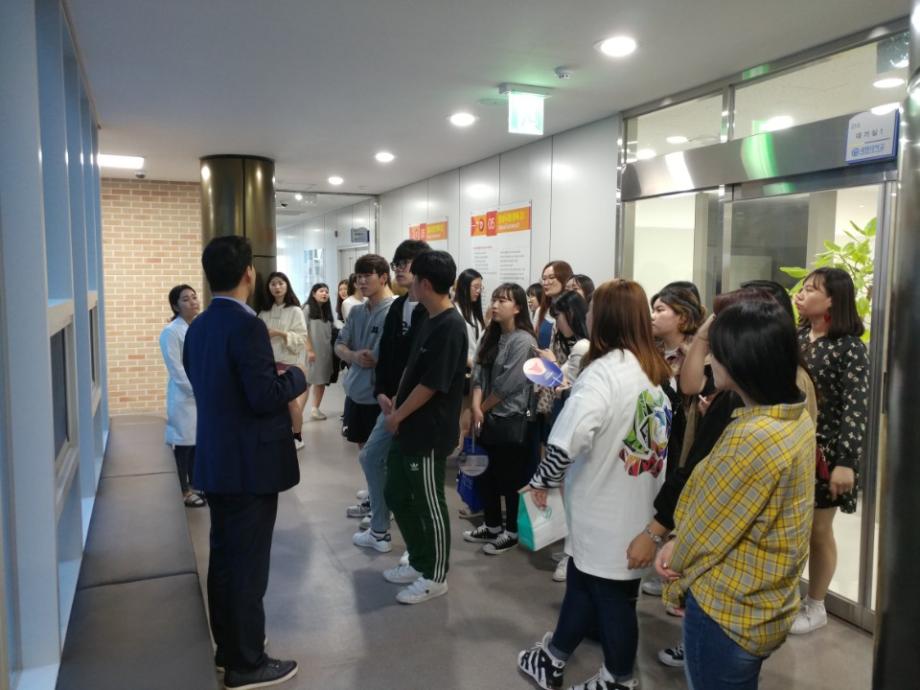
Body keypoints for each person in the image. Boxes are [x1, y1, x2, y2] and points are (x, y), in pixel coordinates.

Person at [641, 284, 817, 669]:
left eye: (715, 349)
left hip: (727, 609)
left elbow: (708, 528)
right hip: (761, 604)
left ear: (741, 357)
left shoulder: (751, 436)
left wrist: (671, 551)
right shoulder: (788, 415)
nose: (710, 359)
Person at [518, 279, 672, 690]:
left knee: (613, 600)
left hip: (604, 510)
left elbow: (567, 440)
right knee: (585, 584)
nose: (586, 314)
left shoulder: (602, 373)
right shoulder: (653, 371)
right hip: (638, 507)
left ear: (603, 317)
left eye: (591, 309)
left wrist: (540, 480)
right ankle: (553, 658)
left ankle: (619, 679)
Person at [183, 236, 307, 690]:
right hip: (250, 465)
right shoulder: (247, 326)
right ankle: (247, 663)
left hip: (216, 459)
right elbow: (262, 396)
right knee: (248, 567)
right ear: (249, 273)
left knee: (224, 559)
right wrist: (295, 376)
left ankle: (229, 648)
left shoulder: (197, 326)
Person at [381, 250, 468, 604]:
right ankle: (418, 560)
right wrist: (396, 401)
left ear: (426, 284)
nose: (408, 282)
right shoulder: (427, 317)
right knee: (396, 493)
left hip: (429, 431)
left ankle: (435, 574)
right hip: (408, 425)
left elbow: (432, 384)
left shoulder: (451, 325)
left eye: (413, 277)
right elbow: (413, 369)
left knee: (430, 504)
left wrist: (398, 415)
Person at [790, 267, 869, 635]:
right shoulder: (797, 338)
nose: (802, 294)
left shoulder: (850, 347)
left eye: (811, 289)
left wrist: (846, 462)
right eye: (803, 288)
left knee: (818, 530)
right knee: (791, 527)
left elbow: (856, 406)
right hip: (792, 446)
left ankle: (816, 604)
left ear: (833, 300)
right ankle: (788, 597)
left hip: (826, 455)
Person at [350, 240, 430, 552]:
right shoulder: (398, 307)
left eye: (405, 263)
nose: (399, 268)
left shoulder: (436, 312)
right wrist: (382, 391)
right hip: (391, 403)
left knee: (414, 479)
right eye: (397, 263)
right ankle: (380, 530)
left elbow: (426, 370)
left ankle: (418, 553)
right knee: (370, 456)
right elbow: (386, 356)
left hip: (419, 408)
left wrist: (401, 401)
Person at [641, 283, 705, 598]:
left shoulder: (698, 353)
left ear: (682, 317)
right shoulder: (648, 350)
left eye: (660, 310)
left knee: (680, 496)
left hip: (685, 436)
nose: (652, 316)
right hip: (653, 436)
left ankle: (674, 567)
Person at [463, 283, 536, 555]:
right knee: (486, 474)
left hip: (510, 418)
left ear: (517, 308)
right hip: (486, 416)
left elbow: (509, 384)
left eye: (502, 301)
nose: (495, 305)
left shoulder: (523, 340)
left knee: (510, 478)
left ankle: (511, 532)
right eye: (494, 299)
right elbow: (479, 373)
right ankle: (492, 525)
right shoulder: (490, 335)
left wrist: (481, 408)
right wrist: (475, 406)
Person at [533, 288, 590, 582]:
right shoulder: (578, 344)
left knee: (570, 490)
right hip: (567, 419)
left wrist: (551, 363)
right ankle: (571, 549)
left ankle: (572, 554)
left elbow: (570, 384)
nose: (556, 322)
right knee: (568, 488)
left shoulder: (581, 346)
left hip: (573, 423)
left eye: (559, 316)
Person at [335, 255, 394, 460]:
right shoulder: (356, 311)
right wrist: (353, 355)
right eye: (358, 277)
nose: (361, 282)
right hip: (354, 392)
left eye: (367, 276)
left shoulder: (394, 311)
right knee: (363, 451)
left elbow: (376, 357)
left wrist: (356, 355)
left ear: (383, 278)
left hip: (380, 396)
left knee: (381, 456)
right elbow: (338, 345)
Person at [159, 284, 204, 507]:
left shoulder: (197, 326)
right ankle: (184, 491)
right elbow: (176, 368)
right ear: (176, 306)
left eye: (194, 297)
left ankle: (195, 484)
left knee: (195, 442)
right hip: (184, 396)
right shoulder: (171, 331)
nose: (193, 301)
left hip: (199, 393)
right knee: (184, 445)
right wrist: (195, 390)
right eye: (185, 299)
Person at [258, 272, 308, 450]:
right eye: (273, 284)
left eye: (280, 283)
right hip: (269, 363)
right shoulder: (263, 312)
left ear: (287, 285)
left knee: (290, 401)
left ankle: (297, 436)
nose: (277, 287)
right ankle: (278, 434)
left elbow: (301, 338)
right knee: (272, 401)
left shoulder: (295, 310)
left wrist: (279, 333)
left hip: (289, 361)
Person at [303, 283, 334, 420]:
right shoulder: (307, 309)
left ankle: (315, 410)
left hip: (325, 353)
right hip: (311, 352)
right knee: (306, 382)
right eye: (321, 291)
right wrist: (309, 350)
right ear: (313, 293)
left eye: (326, 291)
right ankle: (297, 413)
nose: (324, 294)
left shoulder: (326, 311)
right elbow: (302, 330)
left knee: (321, 381)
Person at [535, 261, 573, 349]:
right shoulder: (540, 311)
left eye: (551, 277)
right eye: (544, 279)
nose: (546, 283)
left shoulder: (573, 311)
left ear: (565, 279)